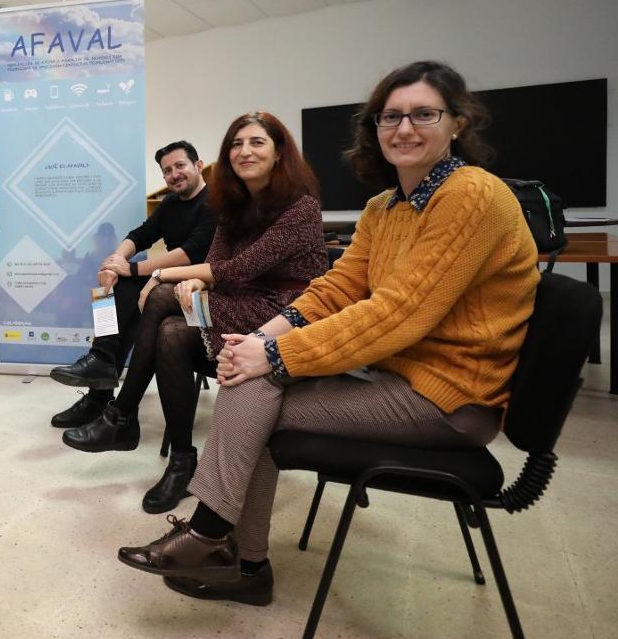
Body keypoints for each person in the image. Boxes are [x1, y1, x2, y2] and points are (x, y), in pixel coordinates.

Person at [116, 61, 539, 607]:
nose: (404, 128)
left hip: (449, 397)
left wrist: (274, 354)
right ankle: (228, 552)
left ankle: (219, 543)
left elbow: (395, 313)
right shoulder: (384, 207)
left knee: (252, 396)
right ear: (375, 129)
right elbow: (334, 289)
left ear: (457, 122)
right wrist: (262, 341)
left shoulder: (471, 196)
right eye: (391, 117)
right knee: (249, 381)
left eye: (423, 115)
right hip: (390, 375)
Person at [63, 112, 327, 516]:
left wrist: (153, 274)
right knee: (129, 303)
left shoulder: (298, 208)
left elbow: (225, 265)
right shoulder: (227, 204)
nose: (244, 151)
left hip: (281, 315)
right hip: (229, 297)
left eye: (256, 142)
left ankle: (119, 410)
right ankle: (119, 390)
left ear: (279, 154)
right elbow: (151, 237)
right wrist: (117, 260)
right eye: (237, 144)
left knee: (157, 297)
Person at [48, 142, 218, 429]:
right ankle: (100, 364)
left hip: (202, 291)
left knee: (130, 301)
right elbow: (140, 234)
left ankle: (100, 392)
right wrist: (114, 262)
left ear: (198, 166)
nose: (174, 174)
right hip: (170, 280)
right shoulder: (170, 204)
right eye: (167, 170)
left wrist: (134, 268)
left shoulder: (215, 202)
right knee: (115, 292)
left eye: (180, 166)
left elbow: (192, 251)